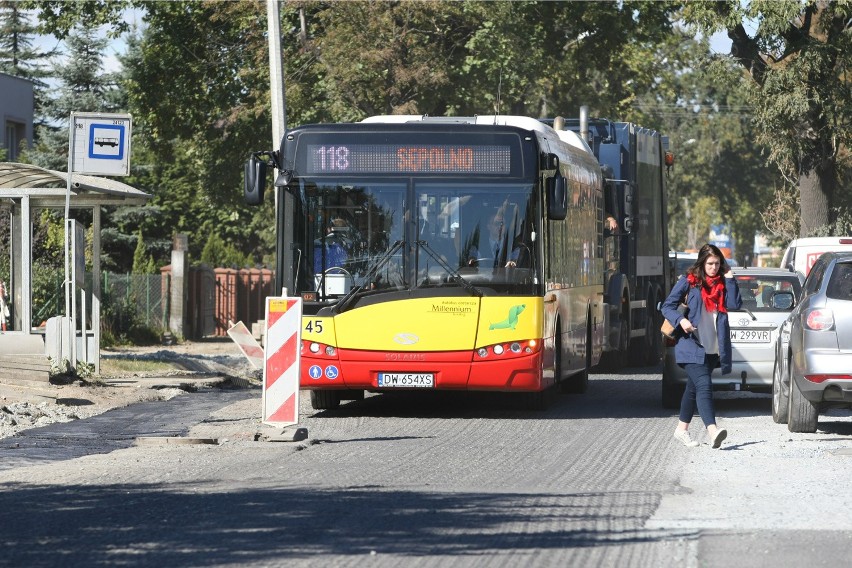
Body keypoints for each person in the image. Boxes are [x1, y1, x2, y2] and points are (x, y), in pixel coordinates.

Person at [661, 243, 742, 449]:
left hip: (712, 346)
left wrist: (730, 277)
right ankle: (713, 430)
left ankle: (681, 430)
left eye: (717, 264)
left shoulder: (723, 283)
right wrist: (681, 321)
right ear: (702, 263)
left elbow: (734, 304)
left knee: (693, 389)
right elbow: (667, 306)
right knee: (704, 385)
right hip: (691, 345)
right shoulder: (689, 282)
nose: (714, 267)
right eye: (710, 264)